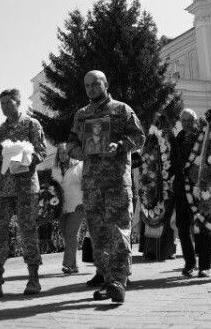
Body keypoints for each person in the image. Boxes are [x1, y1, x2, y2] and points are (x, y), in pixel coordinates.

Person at [67, 70, 145, 303]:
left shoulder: (121, 110)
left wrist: (120, 145)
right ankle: (109, 278)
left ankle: (119, 281)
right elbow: (71, 142)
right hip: (91, 184)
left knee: (119, 231)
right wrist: (78, 151)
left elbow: (139, 137)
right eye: (87, 85)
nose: (91, 88)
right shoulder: (81, 115)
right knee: (98, 235)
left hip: (116, 182)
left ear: (106, 84)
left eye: (95, 83)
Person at [0, 89, 46, 300]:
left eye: (8, 102)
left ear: (18, 102)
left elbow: (41, 152)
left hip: (26, 188)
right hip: (3, 189)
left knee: (28, 232)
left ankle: (33, 279)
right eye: (1, 104)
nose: (4, 107)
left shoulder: (32, 124)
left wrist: (25, 156)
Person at [172, 109, 211, 276]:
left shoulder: (203, 138)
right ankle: (190, 263)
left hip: (200, 188)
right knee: (183, 227)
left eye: (190, 120)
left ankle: (205, 266)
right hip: (182, 188)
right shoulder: (178, 138)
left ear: (196, 121)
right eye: (184, 120)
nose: (186, 123)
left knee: (204, 225)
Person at [51, 143, 84, 274]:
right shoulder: (55, 168)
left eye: (65, 152)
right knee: (66, 235)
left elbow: (85, 184)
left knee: (71, 234)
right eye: (60, 153)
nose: (63, 155)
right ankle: (74, 265)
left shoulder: (79, 165)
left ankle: (68, 265)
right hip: (61, 207)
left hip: (78, 205)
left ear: (70, 152)